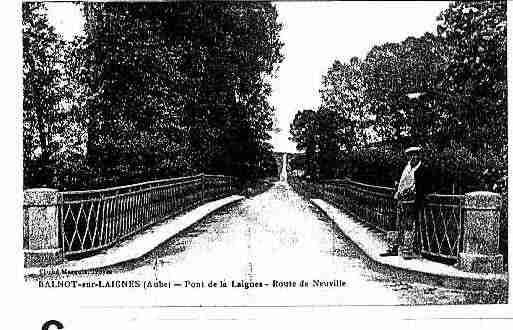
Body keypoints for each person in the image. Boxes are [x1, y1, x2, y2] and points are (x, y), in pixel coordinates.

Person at [381, 146, 432, 258]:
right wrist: (398, 190)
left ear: (419, 156)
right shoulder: (406, 168)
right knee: (395, 223)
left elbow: (426, 187)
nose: (413, 157)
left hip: (413, 201)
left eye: (415, 155)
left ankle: (407, 250)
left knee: (409, 224)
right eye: (411, 155)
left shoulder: (423, 169)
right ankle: (392, 248)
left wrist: (418, 194)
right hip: (400, 199)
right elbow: (399, 182)